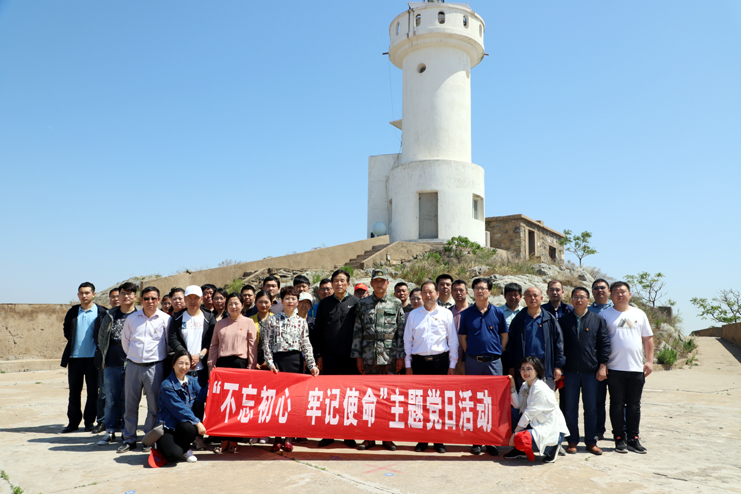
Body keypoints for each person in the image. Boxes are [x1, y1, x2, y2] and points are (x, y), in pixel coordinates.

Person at [351, 268, 405, 452]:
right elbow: (357, 331)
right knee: (369, 398)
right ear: (372, 283)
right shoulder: (363, 304)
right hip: (368, 357)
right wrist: (357, 356)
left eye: (383, 281)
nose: (380, 284)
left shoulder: (396, 303)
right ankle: (369, 438)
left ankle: (387, 437)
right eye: (376, 281)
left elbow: (401, 331)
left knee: (388, 399)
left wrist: (400, 355)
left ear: (388, 283)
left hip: (390, 357)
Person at [263, 286, 320, 453]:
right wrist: (270, 363)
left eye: (293, 299)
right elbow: (266, 344)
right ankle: (277, 438)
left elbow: (306, 345)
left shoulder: (302, 322)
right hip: (277, 363)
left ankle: (288, 438)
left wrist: (312, 365)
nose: (290, 301)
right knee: (277, 401)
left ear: (297, 302)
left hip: (295, 362)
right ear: (281, 301)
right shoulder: (272, 320)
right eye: (287, 298)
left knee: (292, 402)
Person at [404, 281, 458, 454]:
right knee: (420, 402)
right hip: (419, 363)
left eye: (431, 292)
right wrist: (408, 364)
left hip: (440, 362)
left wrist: (452, 365)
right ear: (421, 294)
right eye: (424, 292)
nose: (428, 295)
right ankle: (422, 439)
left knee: (438, 402)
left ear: (437, 293)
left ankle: (438, 439)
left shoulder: (446, 313)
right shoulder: (413, 314)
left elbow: (453, 340)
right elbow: (407, 340)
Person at [602, 281, 654, 454]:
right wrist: (602, 364)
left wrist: (649, 361)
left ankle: (633, 438)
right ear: (611, 295)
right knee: (616, 404)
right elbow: (600, 342)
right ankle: (619, 438)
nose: (620, 294)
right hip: (614, 368)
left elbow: (647, 339)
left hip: (635, 369)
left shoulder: (639, 314)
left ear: (629, 295)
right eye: (616, 292)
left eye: (623, 291)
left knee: (634, 405)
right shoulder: (604, 315)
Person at [458, 277, 508, 456]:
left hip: (494, 362)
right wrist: (471, 353)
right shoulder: (466, 314)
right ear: (473, 291)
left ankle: (491, 441)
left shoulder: (498, 313)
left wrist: (497, 352)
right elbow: (462, 337)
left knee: (494, 402)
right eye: (477, 288)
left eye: (483, 288)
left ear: (490, 291)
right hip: (473, 362)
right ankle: (476, 441)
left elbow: (504, 336)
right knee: (474, 401)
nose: (480, 291)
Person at [118, 287, 171, 453]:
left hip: (155, 367)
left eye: (153, 298)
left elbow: (168, 343)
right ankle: (129, 439)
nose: (150, 301)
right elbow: (126, 342)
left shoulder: (165, 319)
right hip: (133, 366)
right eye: (146, 298)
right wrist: (135, 357)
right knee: (130, 405)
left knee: (154, 406)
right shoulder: (132, 319)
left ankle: (149, 439)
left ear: (159, 300)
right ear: (141, 300)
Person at [558, 287, 610, 456]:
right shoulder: (564, 320)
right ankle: (572, 440)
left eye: (582, 297)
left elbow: (604, 344)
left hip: (591, 372)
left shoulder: (597, 320)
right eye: (575, 297)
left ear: (588, 300)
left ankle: (591, 441)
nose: (579, 300)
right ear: (571, 300)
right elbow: (559, 345)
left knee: (591, 408)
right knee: (570, 408)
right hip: (570, 372)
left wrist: (603, 365)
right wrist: (559, 366)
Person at [313, 269, 360, 449]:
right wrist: (319, 356)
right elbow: (318, 332)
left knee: (349, 396)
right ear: (332, 284)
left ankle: (349, 434)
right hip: (329, 357)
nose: (339, 284)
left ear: (348, 283)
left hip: (350, 358)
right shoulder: (324, 304)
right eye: (336, 281)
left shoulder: (356, 303)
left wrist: (358, 356)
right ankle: (328, 434)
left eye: (342, 280)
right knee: (329, 396)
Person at [208, 292, 259, 453]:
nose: (233, 306)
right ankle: (224, 439)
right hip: (222, 366)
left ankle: (235, 440)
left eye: (236, 303)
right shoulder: (220, 324)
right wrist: (211, 366)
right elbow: (213, 346)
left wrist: (251, 368)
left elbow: (252, 347)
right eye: (230, 303)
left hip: (240, 365)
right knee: (223, 404)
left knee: (237, 404)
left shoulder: (249, 322)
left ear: (242, 305)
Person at [61, 282, 107, 434]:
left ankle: (89, 422)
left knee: (93, 393)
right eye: (81, 293)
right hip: (75, 358)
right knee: (74, 392)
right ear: (78, 295)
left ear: (93, 294)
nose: (84, 295)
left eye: (87, 292)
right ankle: (73, 423)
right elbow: (67, 330)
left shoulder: (101, 312)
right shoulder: (73, 312)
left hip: (93, 359)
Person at [96, 282, 138, 445]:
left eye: (130, 293)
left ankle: (127, 432)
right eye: (123, 293)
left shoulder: (139, 316)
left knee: (129, 400)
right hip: (112, 363)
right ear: (118, 296)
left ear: (135, 296)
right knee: (111, 399)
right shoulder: (110, 315)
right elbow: (102, 337)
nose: (126, 296)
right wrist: (105, 356)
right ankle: (110, 430)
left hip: (132, 364)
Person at [507, 356, 569, 463]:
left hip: (550, 428)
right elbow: (517, 405)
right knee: (512, 413)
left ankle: (552, 448)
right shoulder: (525, 385)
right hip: (536, 423)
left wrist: (514, 435)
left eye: (529, 369)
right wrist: (512, 386)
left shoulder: (540, 388)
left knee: (521, 438)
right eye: (523, 369)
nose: (525, 372)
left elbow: (528, 414)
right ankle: (520, 450)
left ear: (537, 371)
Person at [150, 350, 207, 465]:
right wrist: (198, 422)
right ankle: (164, 445)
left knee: (189, 427)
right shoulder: (167, 385)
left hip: (182, 427)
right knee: (173, 456)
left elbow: (202, 396)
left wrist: (213, 379)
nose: (184, 367)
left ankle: (185, 449)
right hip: (168, 427)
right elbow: (180, 409)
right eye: (180, 363)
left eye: (187, 363)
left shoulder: (192, 381)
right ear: (173, 364)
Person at [506, 286, 565, 391]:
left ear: (541, 298)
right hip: (524, 368)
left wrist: (558, 366)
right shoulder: (519, 319)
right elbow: (511, 344)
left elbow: (559, 344)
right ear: (524, 299)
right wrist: (511, 366)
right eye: (529, 296)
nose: (532, 298)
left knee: (545, 398)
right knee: (524, 399)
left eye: (535, 295)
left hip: (545, 367)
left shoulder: (549, 319)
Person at [589, 278, 613, 441]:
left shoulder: (617, 308)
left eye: (602, 288)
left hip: (617, 362)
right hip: (597, 363)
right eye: (596, 288)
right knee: (598, 400)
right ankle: (598, 430)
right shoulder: (588, 311)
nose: (599, 290)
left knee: (619, 401)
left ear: (609, 291)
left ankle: (622, 432)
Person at [450, 279, 470, 375]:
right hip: (452, 359)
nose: (458, 293)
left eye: (461, 290)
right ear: (451, 293)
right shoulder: (447, 313)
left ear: (467, 293)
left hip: (469, 357)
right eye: (455, 290)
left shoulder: (474, 312)